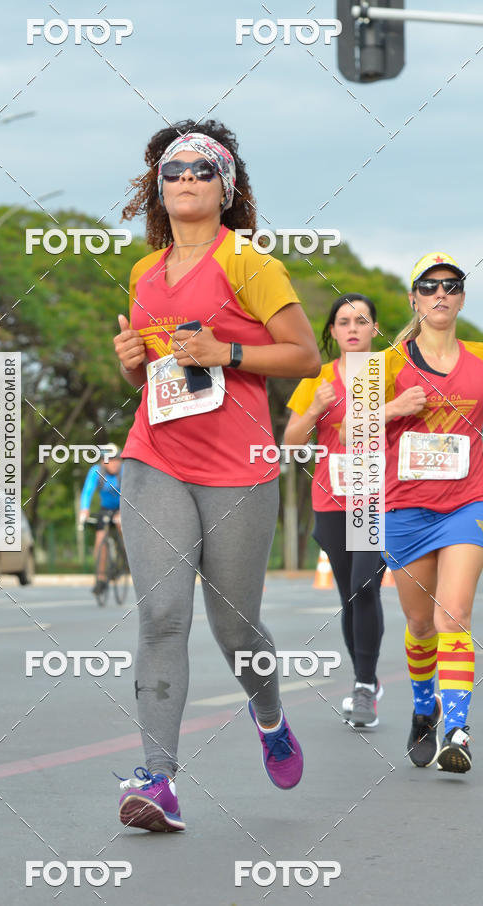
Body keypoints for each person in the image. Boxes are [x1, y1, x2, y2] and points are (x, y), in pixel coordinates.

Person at [112, 120, 321, 832]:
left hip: (238, 466)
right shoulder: (145, 272)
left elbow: (304, 355)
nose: (186, 180)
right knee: (161, 616)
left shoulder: (248, 262)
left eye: (203, 170)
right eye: (173, 171)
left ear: (226, 188)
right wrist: (132, 364)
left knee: (235, 628)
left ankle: (270, 715)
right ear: (158, 187)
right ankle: (157, 780)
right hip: (155, 456)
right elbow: (158, 370)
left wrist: (227, 352)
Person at [382, 252, 483, 773]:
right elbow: (345, 432)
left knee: (454, 615)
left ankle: (457, 731)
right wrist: (392, 409)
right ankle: (425, 707)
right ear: (414, 298)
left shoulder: (480, 359)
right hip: (405, 509)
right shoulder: (383, 365)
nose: (440, 293)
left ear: (461, 298)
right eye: (429, 285)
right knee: (421, 624)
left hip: (468, 504)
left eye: (451, 285)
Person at [284, 294, 387, 729]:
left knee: (364, 586)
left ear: (374, 329)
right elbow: (291, 444)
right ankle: (366, 679)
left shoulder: (389, 373)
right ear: (331, 331)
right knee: (350, 594)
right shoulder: (319, 378)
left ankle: (363, 685)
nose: (352, 328)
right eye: (343, 321)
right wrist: (314, 409)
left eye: (361, 321)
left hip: (377, 498)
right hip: (331, 499)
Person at [79, 452, 122, 596]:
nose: (115, 464)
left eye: (117, 460)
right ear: (103, 462)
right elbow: (87, 491)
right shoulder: (96, 471)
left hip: (123, 506)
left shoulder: (124, 471)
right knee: (100, 540)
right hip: (106, 509)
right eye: (111, 460)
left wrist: (123, 512)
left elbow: (132, 492)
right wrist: (84, 509)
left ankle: (124, 559)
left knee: (122, 526)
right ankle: (101, 578)